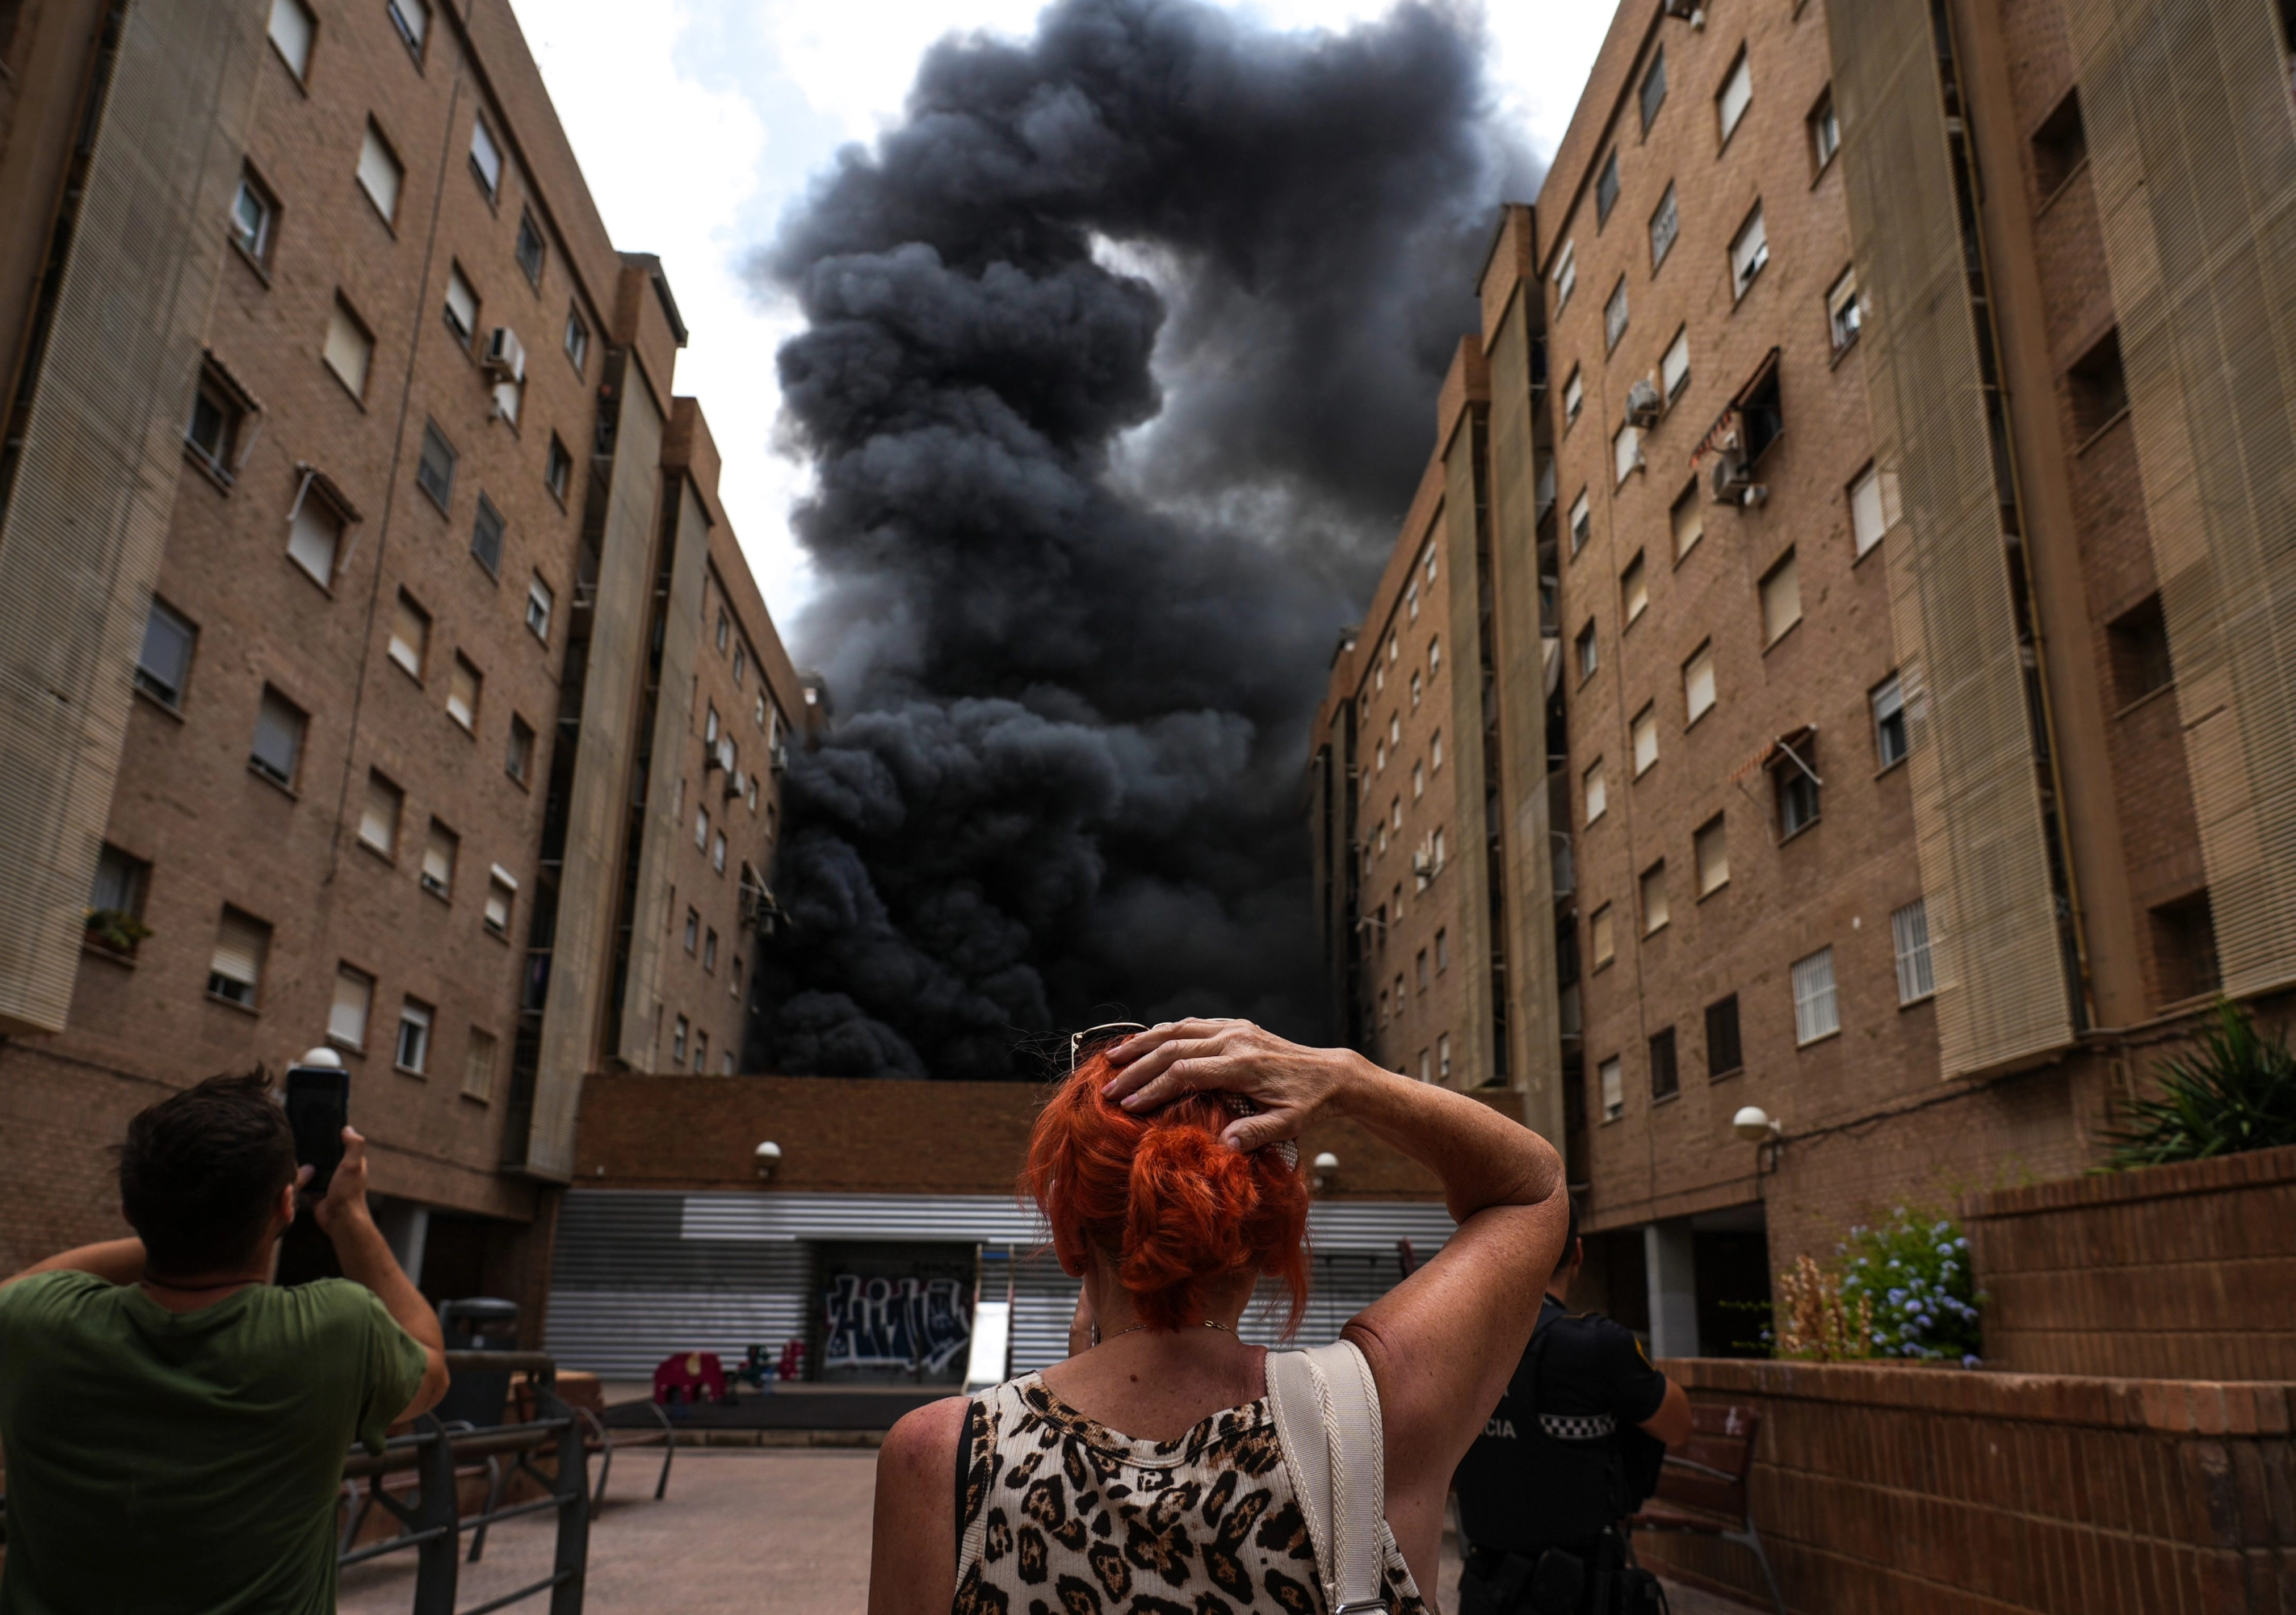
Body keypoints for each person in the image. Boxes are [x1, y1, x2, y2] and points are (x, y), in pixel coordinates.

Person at [867, 1017, 1569, 1615]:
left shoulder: (940, 1458)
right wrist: (1348, 1078)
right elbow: (1530, 1192)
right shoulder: (1371, 1416)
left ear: (1068, 1235)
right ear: (1273, 1239)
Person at [0, 1071, 449, 1614]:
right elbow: (431, 1369)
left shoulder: (36, 1324)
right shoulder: (337, 1330)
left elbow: (24, 1284)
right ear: (285, 1207)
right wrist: (348, 1218)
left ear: (132, 1213)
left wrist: (177, 1221)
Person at [1451, 1197, 1694, 1615]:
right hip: (1578, 1591)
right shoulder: (1595, 1345)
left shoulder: (1457, 1342)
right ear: (1577, 1252)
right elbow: (1677, 1425)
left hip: (1484, 1589)